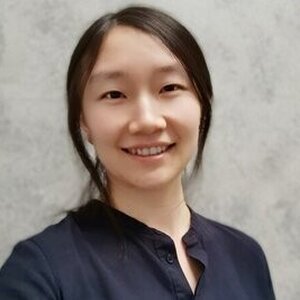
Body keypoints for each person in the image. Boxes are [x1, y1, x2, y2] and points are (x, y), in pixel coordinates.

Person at [0, 6, 275, 300]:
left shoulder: (246, 258)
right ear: (83, 119)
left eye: (169, 87)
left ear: (202, 106)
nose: (147, 120)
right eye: (114, 94)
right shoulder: (39, 273)